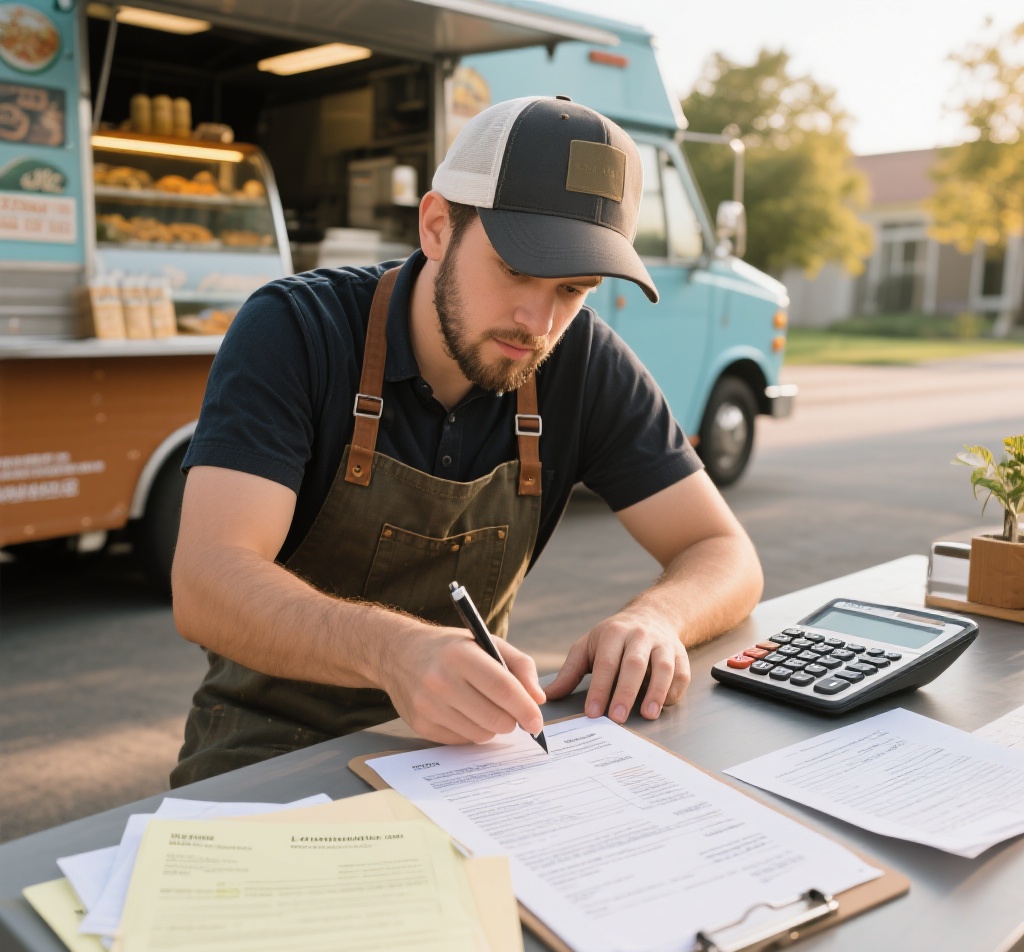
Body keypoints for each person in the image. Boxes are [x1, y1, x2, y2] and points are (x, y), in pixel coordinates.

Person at [169, 96, 763, 786]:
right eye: (515, 268)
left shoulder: (583, 362)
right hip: (266, 751)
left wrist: (658, 618)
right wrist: (393, 652)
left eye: (573, 288)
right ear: (437, 226)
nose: (537, 322)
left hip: (466, 759)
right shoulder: (295, 331)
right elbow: (207, 580)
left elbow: (725, 553)